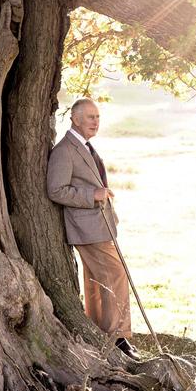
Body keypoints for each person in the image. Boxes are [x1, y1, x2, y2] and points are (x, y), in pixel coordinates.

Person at [47, 97, 140, 360]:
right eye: (90, 117)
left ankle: (101, 331)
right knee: (115, 274)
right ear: (75, 118)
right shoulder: (65, 150)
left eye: (97, 117)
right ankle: (118, 338)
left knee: (97, 281)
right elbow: (55, 190)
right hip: (86, 227)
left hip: (100, 225)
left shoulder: (85, 147)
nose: (95, 122)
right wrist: (92, 194)